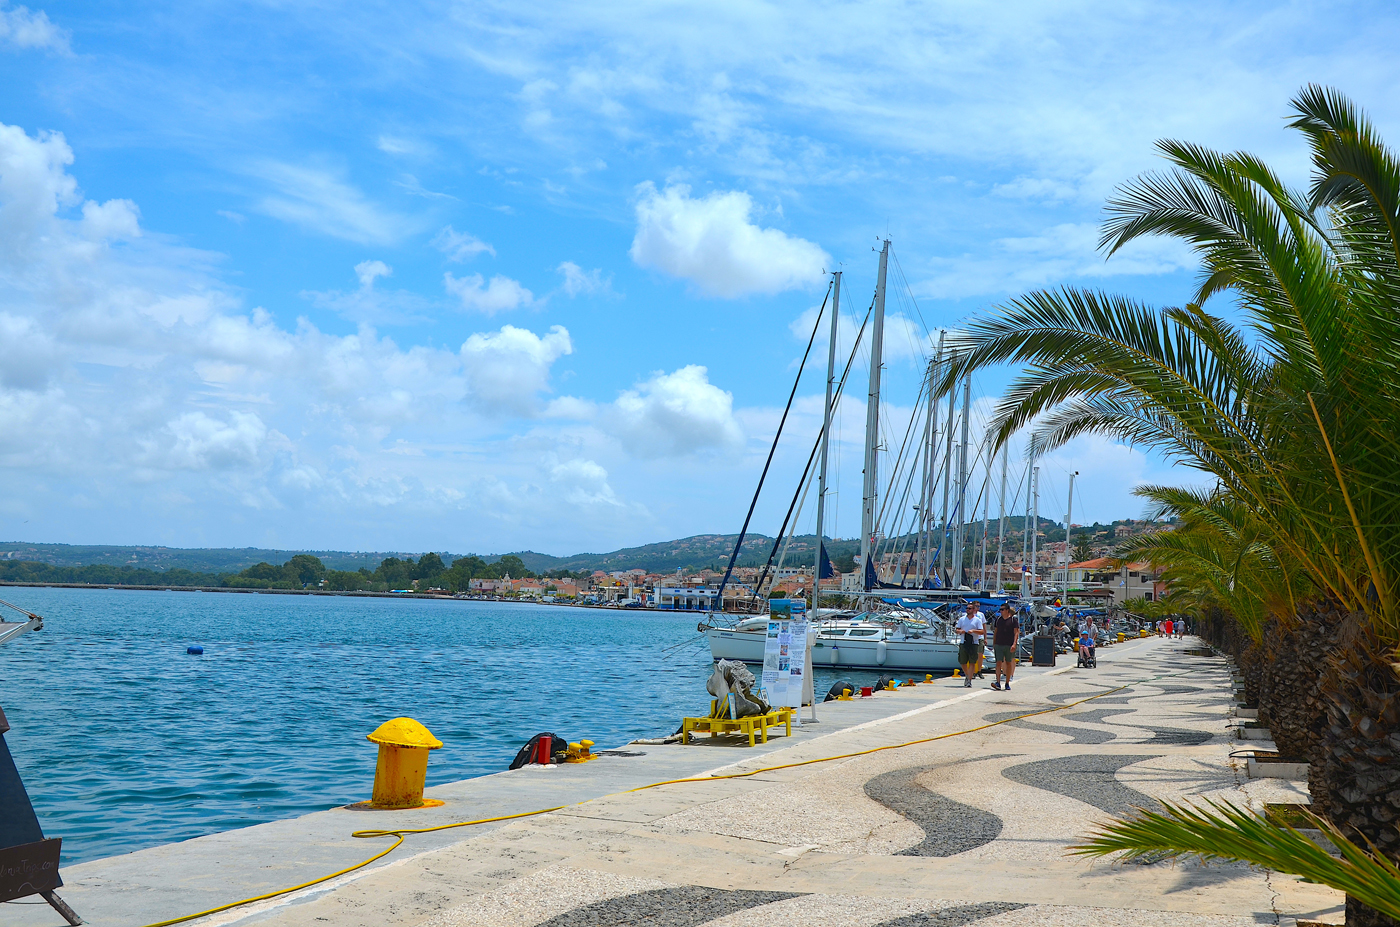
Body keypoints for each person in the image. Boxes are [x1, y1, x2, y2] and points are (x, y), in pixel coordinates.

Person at [955, 600, 986, 688]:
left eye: (970, 608)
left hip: (974, 643)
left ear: (973, 610)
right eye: (967, 608)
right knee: (962, 661)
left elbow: (982, 631)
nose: (968, 610)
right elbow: (957, 629)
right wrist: (960, 631)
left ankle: (969, 680)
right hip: (963, 642)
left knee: (972, 662)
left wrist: (973, 631)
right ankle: (968, 675)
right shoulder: (962, 619)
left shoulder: (977, 620)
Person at [990, 602, 1020, 690]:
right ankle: (998, 682)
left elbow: (1016, 633)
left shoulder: (1013, 620)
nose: (1001, 611)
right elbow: (996, 632)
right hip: (999, 644)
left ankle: (1007, 682)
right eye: (1000, 610)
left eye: (1002, 610)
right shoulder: (998, 619)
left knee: (1008, 663)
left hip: (1009, 644)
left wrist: (1014, 644)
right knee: (998, 663)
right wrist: (994, 643)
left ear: (1007, 610)